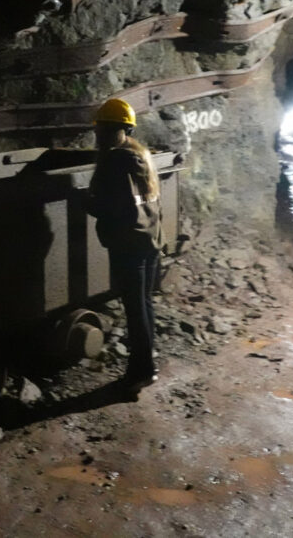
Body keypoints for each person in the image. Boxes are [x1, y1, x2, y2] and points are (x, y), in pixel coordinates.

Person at [85, 98, 164, 391]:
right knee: (143, 304)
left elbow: (112, 208)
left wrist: (87, 203)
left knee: (135, 308)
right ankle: (147, 364)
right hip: (148, 239)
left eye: (102, 130)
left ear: (114, 130)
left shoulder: (114, 160)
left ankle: (140, 371)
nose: (98, 136)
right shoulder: (140, 154)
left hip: (129, 244)